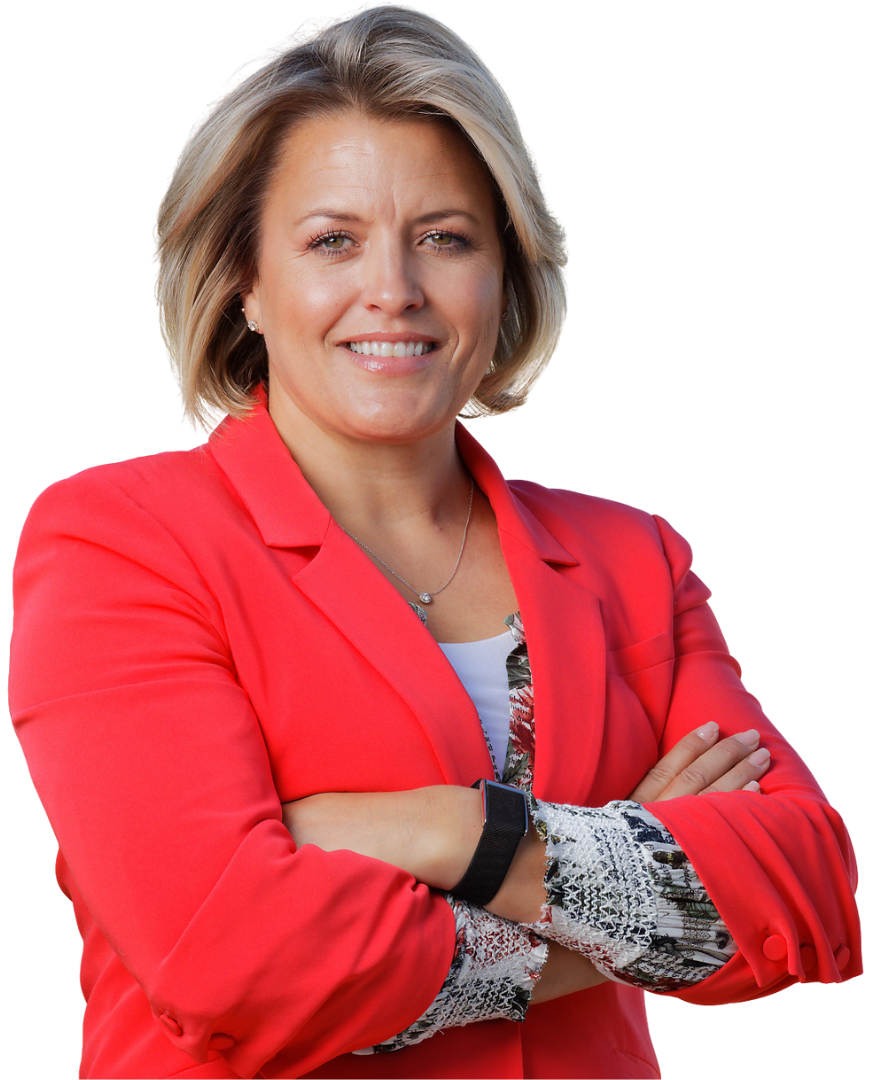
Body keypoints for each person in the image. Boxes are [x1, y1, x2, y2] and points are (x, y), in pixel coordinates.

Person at [9, 6, 861, 1079]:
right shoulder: (121, 541)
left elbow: (804, 896)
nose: (394, 291)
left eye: (444, 238)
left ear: (502, 273)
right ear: (243, 283)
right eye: (332, 241)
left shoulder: (630, 560)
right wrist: (621, 886)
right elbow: (227, 967)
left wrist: (450, 831)